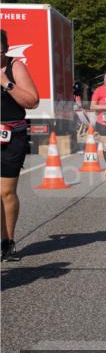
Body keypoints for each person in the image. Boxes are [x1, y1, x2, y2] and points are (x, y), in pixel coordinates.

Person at [0, 29, 40, 261]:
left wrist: (6, 84)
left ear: (4, 48)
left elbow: (32, 101)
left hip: (11, 136)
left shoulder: (14, 67)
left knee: (5, 192)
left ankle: (8, 240)